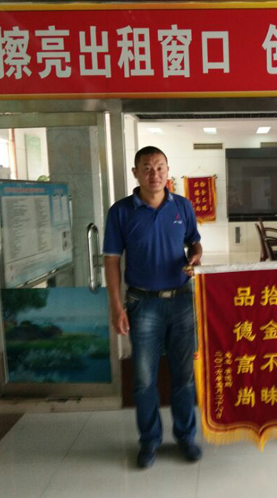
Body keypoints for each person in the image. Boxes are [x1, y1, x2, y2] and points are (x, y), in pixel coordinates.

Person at [103, 146, 203, 469]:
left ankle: (186, 436)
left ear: (168, 170)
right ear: (135, 173)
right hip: (142, 303)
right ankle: (149, 440)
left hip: (182, 301)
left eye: (160, 167)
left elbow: (195, 241)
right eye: (147, 168)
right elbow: (111, 261)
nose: (154, 174)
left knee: (184, 376)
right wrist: (116, 306)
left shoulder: (182, 206)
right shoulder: (120, 212)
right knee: (144, 379)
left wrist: (196, 254)